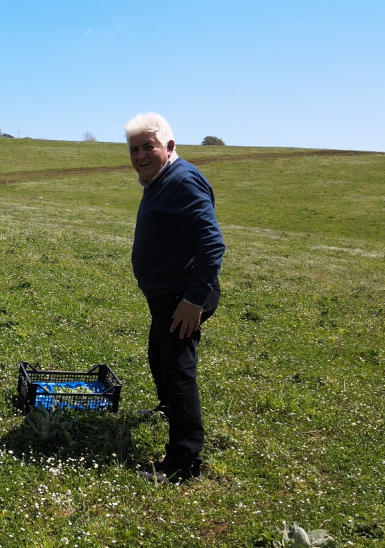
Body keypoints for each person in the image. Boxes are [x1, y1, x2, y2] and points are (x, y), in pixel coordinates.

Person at [125, 113, 224, 484]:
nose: (140, 155)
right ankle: (168, 409)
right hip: (168, 295)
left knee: (178, 371)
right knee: (159, 354)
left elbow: (212, 244)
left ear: (168, 145)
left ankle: (184, 460)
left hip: (184, 296)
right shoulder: (161, 180)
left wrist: (194, 300)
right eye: (134, 149)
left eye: (148, 147)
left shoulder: (181, 180)